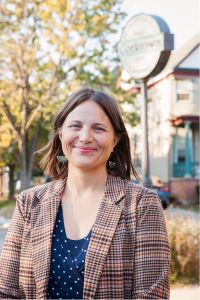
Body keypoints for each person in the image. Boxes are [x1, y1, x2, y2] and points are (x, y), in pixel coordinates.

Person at [0, 88, 171, 299]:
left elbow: (152, 295)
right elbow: (6, 291)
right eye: (75, 126)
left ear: (115, 140)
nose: (85, 137)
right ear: (61, 133)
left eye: (98, 128)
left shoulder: (141, 204)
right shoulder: (29, 202)